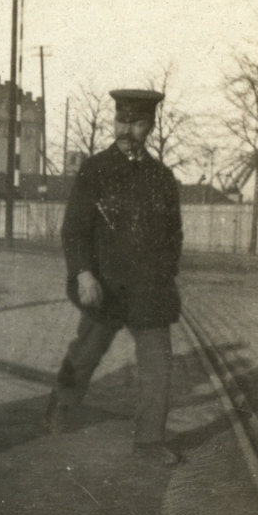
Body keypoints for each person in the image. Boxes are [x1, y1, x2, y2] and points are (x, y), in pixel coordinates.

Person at [44, 88, 184, 467]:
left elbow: (174, 235)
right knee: (86, 353)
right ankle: (61, 407)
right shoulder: (94, 170)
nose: (127, 130)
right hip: (104, 286)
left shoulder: (162, 177)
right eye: (122, 121)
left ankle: (150, 442)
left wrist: (164, 274)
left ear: (150, 126)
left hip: (150, 291)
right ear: (114, 121)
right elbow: (74, 230)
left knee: (158, 367)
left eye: (137, 123)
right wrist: (84, 273)